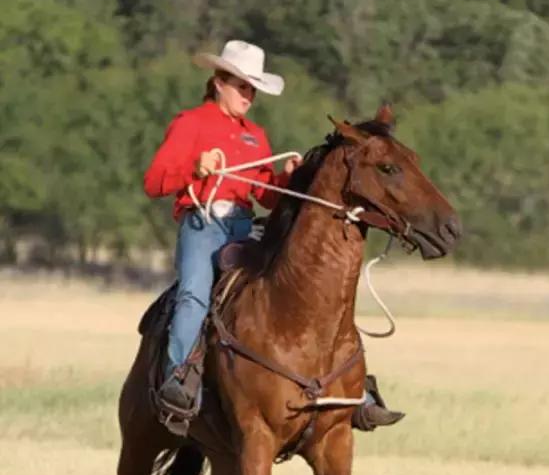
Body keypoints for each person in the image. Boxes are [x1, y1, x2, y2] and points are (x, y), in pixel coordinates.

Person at [143, 39, 403, 434]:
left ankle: (354, 392)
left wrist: (285, 180)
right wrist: (195, 169)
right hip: (204, 224)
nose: (248, 96)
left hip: (244, 225)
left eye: (253, 89)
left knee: (307, 289)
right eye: (241, 86)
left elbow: (264, 195)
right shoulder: (190, 123)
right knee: (194, 293)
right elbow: (154, 182)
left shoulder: (255, 136)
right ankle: (177, 379)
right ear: (219, 83)